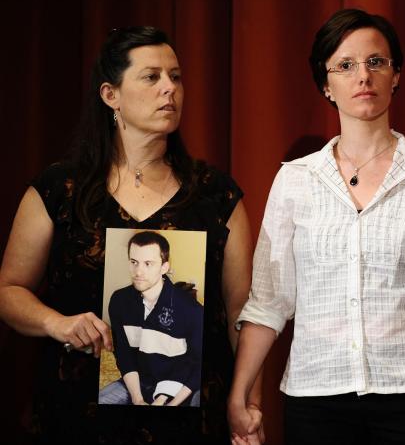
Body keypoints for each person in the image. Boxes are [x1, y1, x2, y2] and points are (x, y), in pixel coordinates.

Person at [228, 8, 405, 445]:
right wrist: (240, 394)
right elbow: (269, 301)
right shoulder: (296, 179)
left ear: (396, 75)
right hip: (315, 396)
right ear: (326, 85)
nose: (363, 75)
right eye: (345, 65)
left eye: (376, 62)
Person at [0, 26, 260, 443]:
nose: (169, 89)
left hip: (191, 420)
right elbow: (9, 290)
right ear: (110, 95)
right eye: (151, 76)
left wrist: (246, 403)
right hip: (77, 417)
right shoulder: (60, 188)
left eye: (175, 77)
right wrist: (57, 323)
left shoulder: (216, 193)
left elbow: (242, 311)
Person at [99, 231, 202, 407]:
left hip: (177, 387)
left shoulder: (192, 310)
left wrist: (168, 402)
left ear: (164, 267)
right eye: (134, 262)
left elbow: (196, 366)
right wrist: (137, 398)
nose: (138, 271)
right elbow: (124, 355)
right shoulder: (119, 301)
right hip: (137, 383)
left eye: (148, 264)